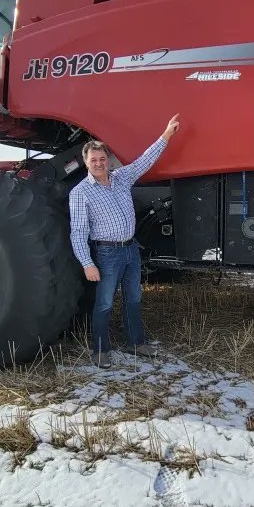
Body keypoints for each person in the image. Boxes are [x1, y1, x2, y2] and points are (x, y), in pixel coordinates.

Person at [69, 115, 180, 366]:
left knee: (134, 299)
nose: (98, 163)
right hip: (107, 254)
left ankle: (135, 343)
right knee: (105, 302)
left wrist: (166, 135)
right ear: (85, 162)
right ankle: (99, 350)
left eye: (102, 159)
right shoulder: (80, 193)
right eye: (93, 160)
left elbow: (145, 161)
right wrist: (87, 263)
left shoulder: (121, 177)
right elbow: (78, 231)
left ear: (108, 160)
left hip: (131, 249)